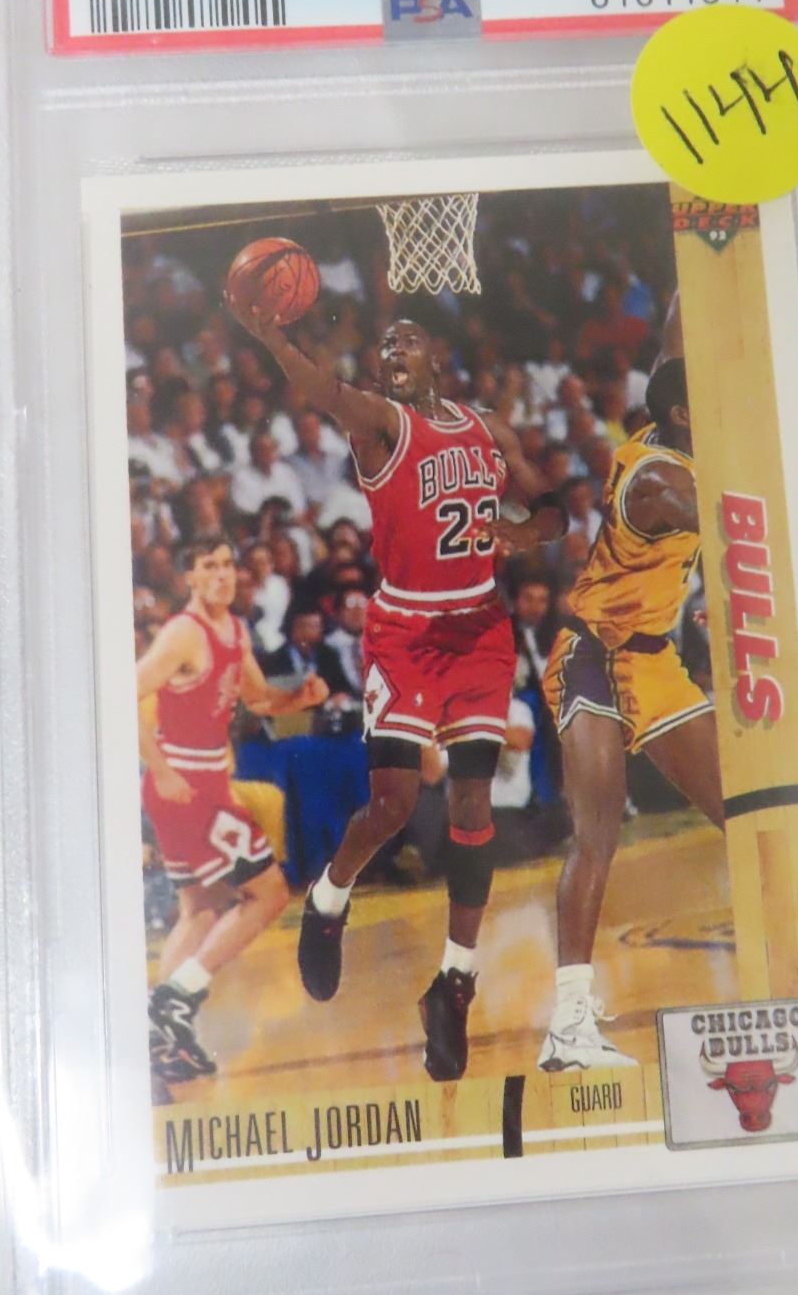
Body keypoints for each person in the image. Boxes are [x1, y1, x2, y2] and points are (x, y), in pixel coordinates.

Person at [230, 297, 563, 1081]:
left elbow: (551, 507)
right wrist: (274, 337)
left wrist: (523, 532)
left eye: (406, 342)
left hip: (478, 629)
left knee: (474, 807)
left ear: (435, 356)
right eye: (384, 346)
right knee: (394, 805)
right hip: (406, 633)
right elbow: (321, 390)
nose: (391, 353)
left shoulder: (487, 429)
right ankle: (329, 896)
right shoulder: (379, 424)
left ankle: (454, 983)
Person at [537, 289, 725, 1071]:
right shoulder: (659, 483)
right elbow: (721, 515)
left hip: (653, 660)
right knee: (598, 834)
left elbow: (675, 332)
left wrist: (703, 256)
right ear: (683, 416)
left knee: (741, 810)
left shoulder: (667, 411)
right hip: (592, 656)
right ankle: (567, 1025)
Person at [137, 538, 328, 1083]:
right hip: (187, 786)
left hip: (199, 783)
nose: (222, 574)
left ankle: (162, 1039)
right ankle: (177, 994)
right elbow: (122, 693)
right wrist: (163, 770)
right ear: (190, 578)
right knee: (270, 893)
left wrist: (299, 700)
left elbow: (258, 699)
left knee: (199, 907)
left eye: (227, 565)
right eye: (209, 566)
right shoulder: (183, 633)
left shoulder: (235, 630)